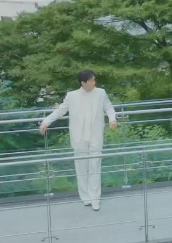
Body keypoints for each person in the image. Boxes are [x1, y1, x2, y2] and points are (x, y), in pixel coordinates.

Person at [39, 70, 118, 210]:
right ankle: (85, 197)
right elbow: (60, 111)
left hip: (95, 135)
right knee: (81, 167)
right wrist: (46, 122)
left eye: (94, 79)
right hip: (79, 136)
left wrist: (112, 119)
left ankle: (95, 198)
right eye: (92, 80)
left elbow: (108, 107)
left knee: (95, 166)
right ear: (83, 83)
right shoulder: (72, 96)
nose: (94, 82)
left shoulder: (101, 93)